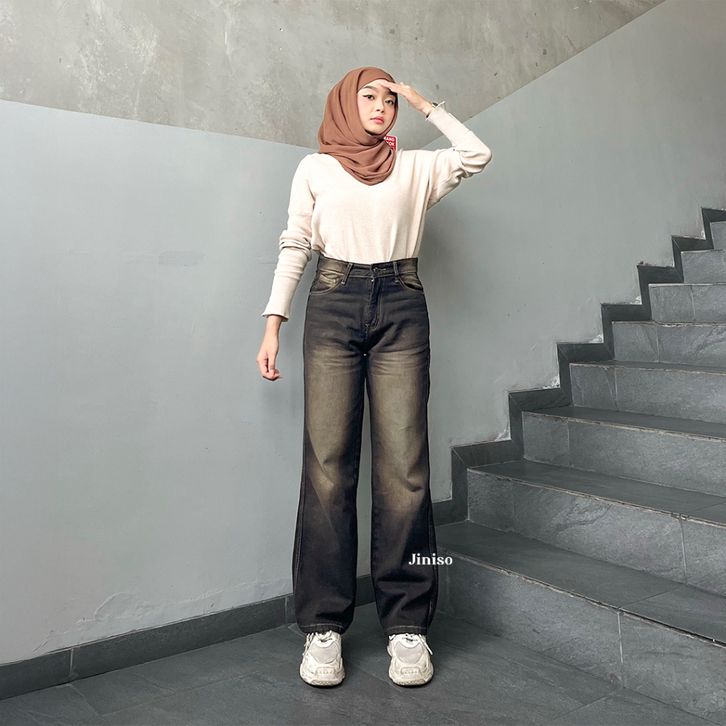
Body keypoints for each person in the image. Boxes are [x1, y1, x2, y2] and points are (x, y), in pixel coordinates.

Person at [256, 66, 492, 687]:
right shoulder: (315, 168)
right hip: (332, 303)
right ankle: (324, 627)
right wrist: (274, 322)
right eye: (370, 96)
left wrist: (427, 103)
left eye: (391, 99)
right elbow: (295, 243)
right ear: (344, 101)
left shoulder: (415, 167)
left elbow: (477, 154)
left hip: (402, 305)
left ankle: (407, 624)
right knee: (327, 467)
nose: (382, 106)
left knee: (405, 470)